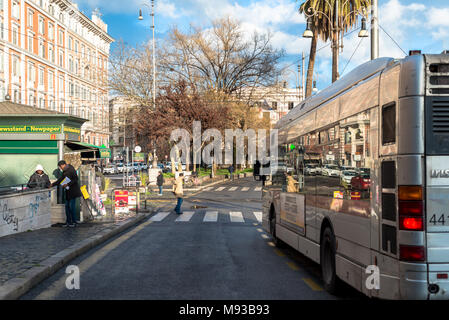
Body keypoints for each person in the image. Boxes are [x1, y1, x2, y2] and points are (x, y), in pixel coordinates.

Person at [50, 160, 82, 228]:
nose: (60, 168)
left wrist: (68, 184)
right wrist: (53, 184)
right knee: (67, 207)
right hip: (68, 191)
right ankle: (68, 222)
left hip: (73, 191)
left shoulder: (71, 169)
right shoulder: (65, 171)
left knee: (71, 207)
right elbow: (61, 179)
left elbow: (75, 179)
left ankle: (74, 221)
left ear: (63, 165)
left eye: (60, 166)